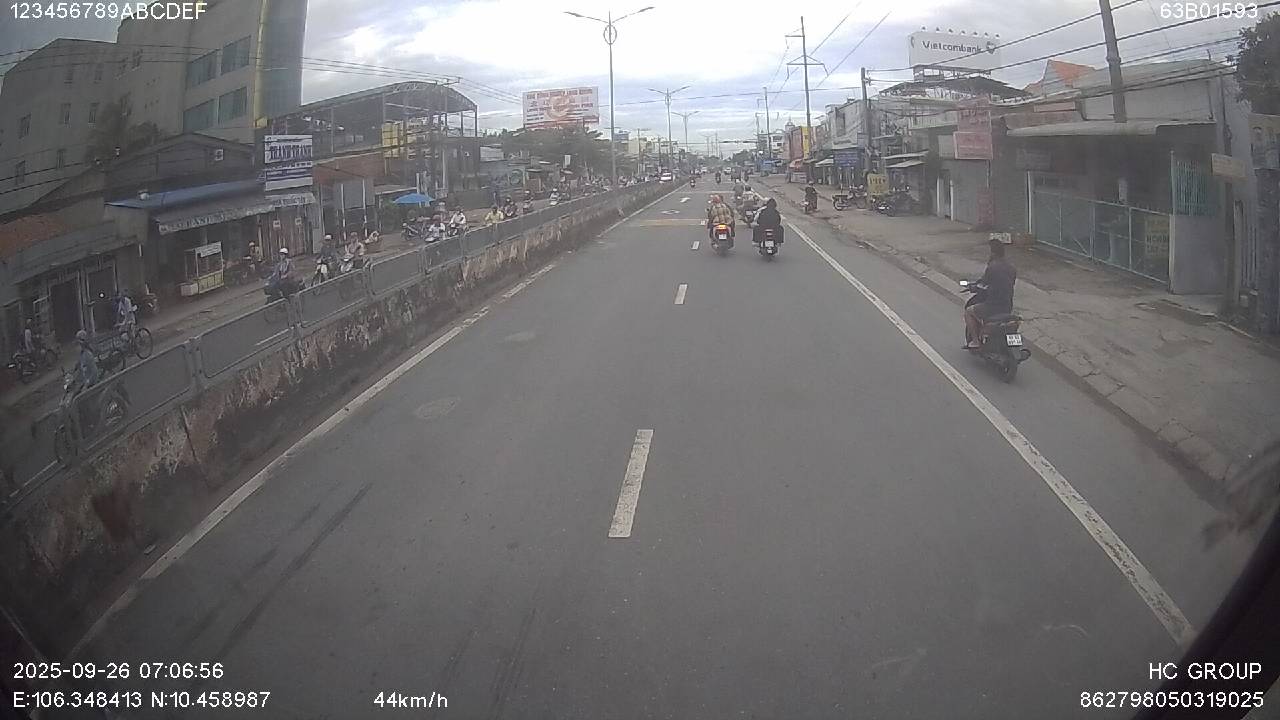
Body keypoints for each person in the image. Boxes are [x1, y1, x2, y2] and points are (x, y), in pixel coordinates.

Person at [965, 240, 1018, 349]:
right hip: (1007, 305)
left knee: (969, 312)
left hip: (992, 305)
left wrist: (973, 287)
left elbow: (983, 283)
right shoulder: (1011, 267)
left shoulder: (992, 267)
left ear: (993, 253)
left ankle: (975, 341)